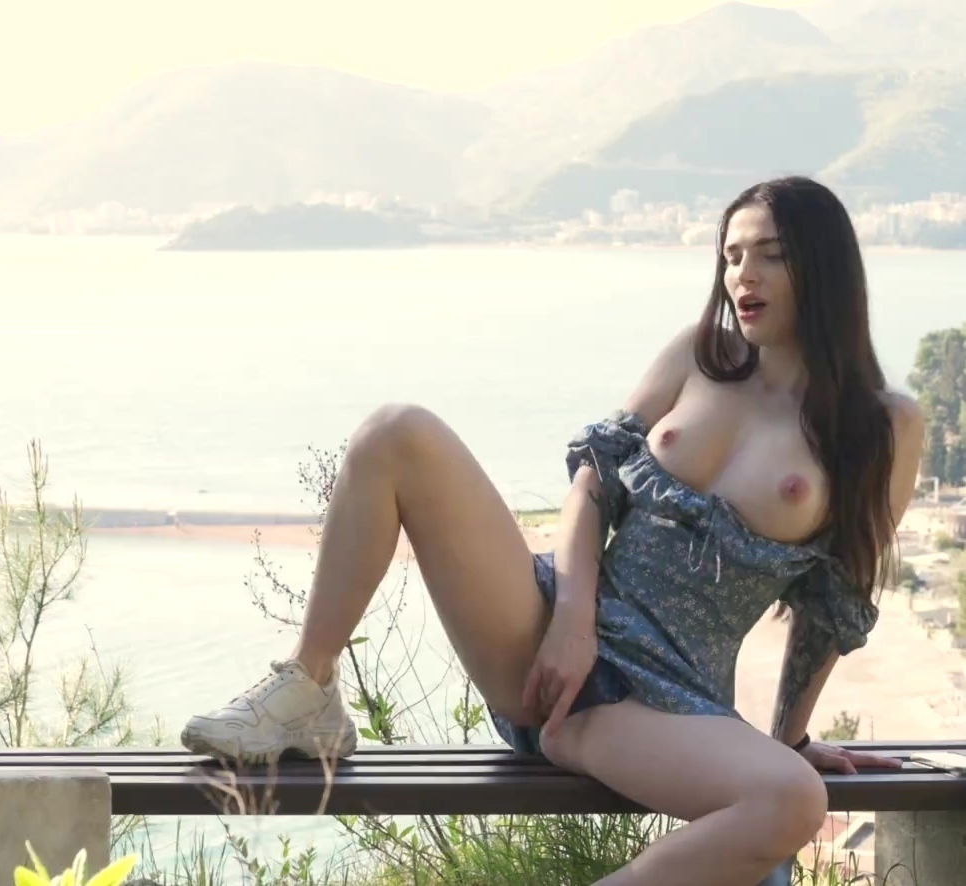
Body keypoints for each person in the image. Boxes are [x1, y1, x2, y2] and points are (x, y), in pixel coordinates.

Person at [179, 176, 926, 886]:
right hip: (549, 630)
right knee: (394, 431)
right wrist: (570, 622)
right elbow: (593, 481)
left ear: (823, 264)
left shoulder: (881, 425)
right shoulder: (701, 355)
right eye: (730, 256)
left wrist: (788, 741)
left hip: (657, 700)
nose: (743, 276)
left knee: (793, 796)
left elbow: (834, 602)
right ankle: (308, 686)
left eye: (770, 254)